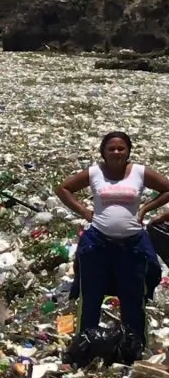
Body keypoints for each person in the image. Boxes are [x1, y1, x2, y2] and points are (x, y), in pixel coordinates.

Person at [56, 131, 169, 353]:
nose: (116, 152)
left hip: (132, 245)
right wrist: (86, 212)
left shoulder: (139, 172)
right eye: (111, 149)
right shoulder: (95, 172)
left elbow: (167, 188)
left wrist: (146, 208)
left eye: (121, 148)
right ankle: (85, 346)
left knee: (133, 298)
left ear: (128, 151)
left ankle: (133, 347)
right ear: (103, 152)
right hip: (98, 243)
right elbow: (63, 188)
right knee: (91, 296)